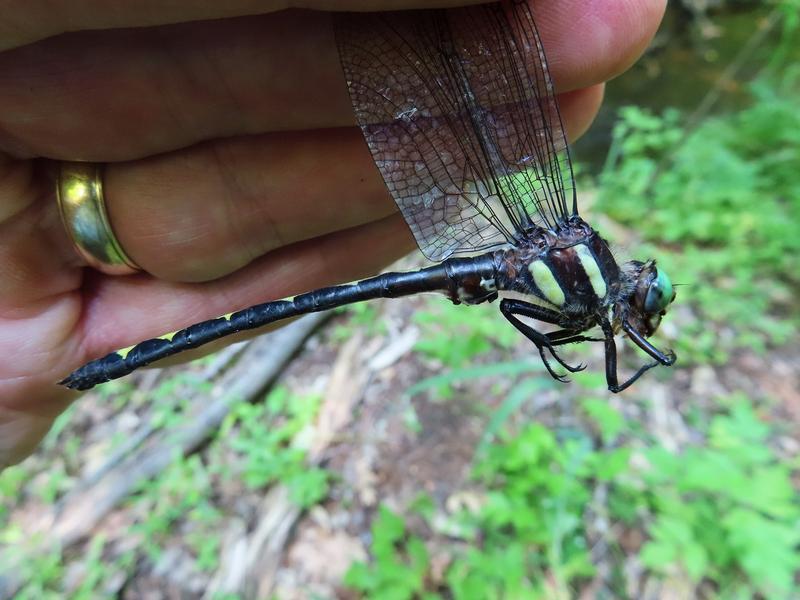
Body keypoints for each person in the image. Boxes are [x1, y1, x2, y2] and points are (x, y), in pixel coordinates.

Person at [0, 0, 667, 468]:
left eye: (645, 298)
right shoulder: (580, 268)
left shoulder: (580, 275)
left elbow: (534, 314)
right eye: (644, 296)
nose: (641, 305)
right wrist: (567, 338)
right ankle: (104, 367)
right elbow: (541, 320)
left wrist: (560, 337)